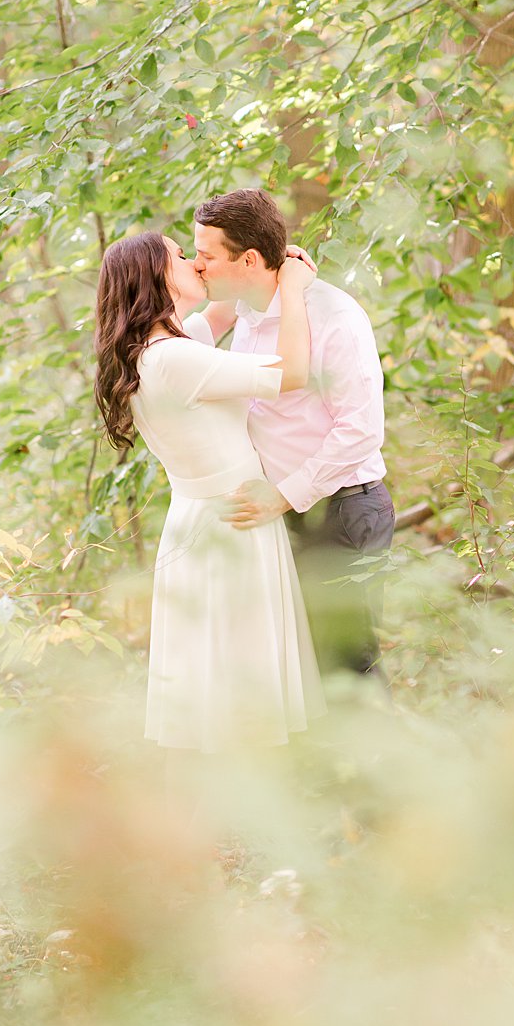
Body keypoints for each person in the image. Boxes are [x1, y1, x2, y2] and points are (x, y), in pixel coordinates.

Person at [93, 230, 326, 752]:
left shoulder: (160, 349)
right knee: (233, 675)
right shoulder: (175, 359)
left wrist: (248, 270)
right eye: (182, 255)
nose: (196, 264)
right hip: (230, 522)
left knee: (219, 674)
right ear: (154, 275)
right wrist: (290, 287)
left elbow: (221, 314)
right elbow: (292, 373)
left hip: (211, 517)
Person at [192, 189, 395, 682]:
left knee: (347, 667)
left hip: (342, 512)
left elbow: (360, 431)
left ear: (249, 259)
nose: (197, 266)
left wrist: (282, 497)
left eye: (205, 255)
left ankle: (376, 760)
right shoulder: (246, 308)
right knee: (300, 670)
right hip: (285, 515)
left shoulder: (334, 317)